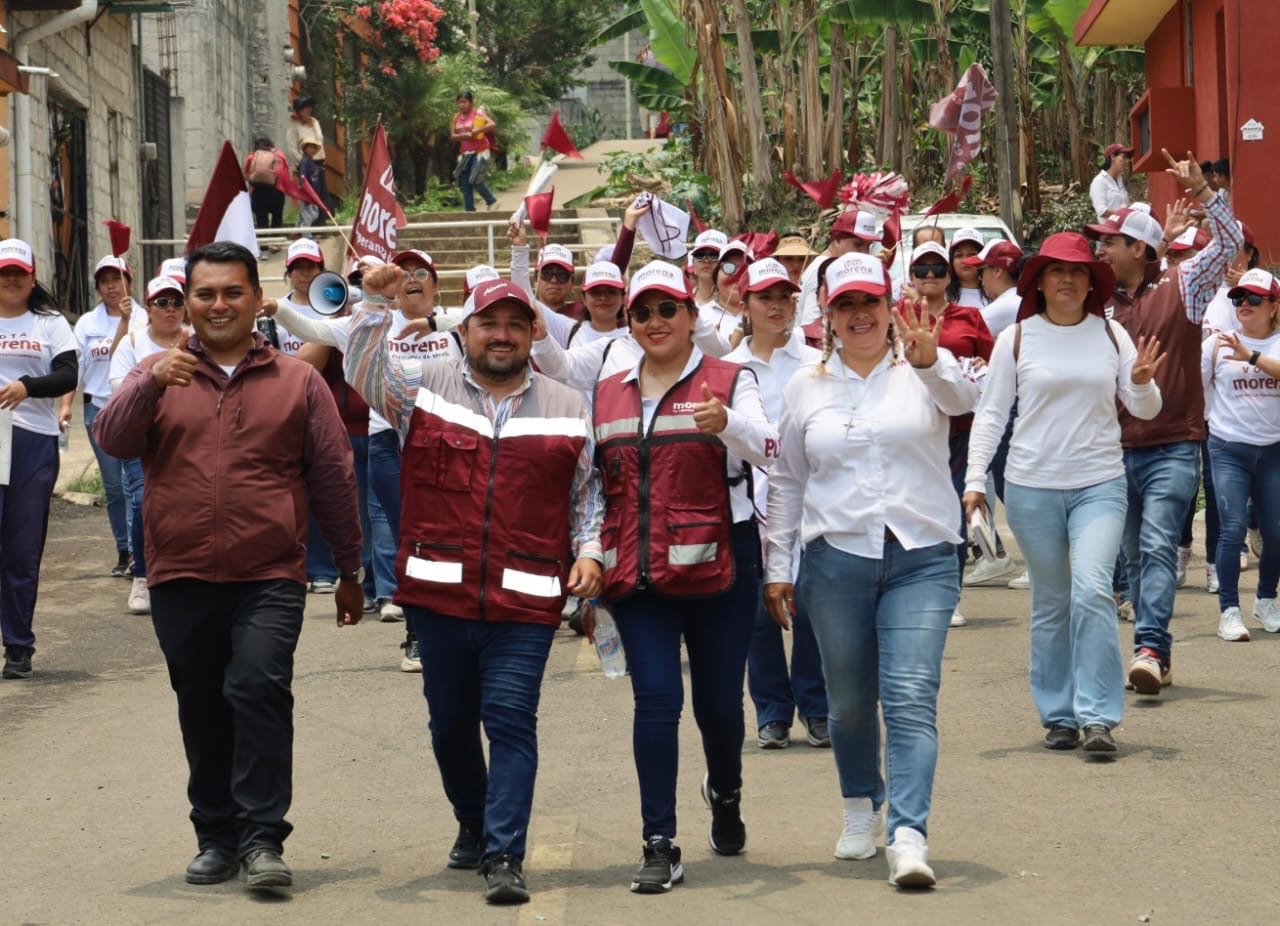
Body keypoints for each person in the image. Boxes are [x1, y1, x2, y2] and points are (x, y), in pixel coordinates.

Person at [93, 241, 364, 891]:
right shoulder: (158, 371)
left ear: (255, 299)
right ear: (189, 302)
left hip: (268, 574)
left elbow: (332, 477)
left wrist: (351, 570)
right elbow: (113, 440)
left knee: (259, 688)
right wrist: (148, 387)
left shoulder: (297, 381)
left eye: (232, 292)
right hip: (181, 573)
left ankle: (264, 840)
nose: (219, 305)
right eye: (206, 294)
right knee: (203, 705)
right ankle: (216, 836)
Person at [344, 270, 603, 906]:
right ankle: (472, 818)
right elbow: (361, 372)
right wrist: (375, 302)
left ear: (532, 333)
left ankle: (504, 853)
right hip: (439, 596)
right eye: (490, 323)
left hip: (526, 598)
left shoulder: (568, 406)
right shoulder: (421, 392)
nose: (503, 335)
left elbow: (587, 492)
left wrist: (591, 552)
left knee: (511, 719)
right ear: (465, 332)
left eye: (517, 324)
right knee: (450, 724)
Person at [765, 252, 978, 888]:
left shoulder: (924, 365)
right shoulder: (806, 385)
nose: (860, 316)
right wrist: (778, 565)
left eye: (870, 303)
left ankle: (908, 833)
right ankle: (861, 804)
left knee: (911, 696)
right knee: (851, 703)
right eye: (845, 306)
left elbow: (967, 398)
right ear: (827, 316)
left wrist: (928, 360)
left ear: (892, 309)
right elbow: (787, 480)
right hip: (836, 562)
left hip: (923, 556)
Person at [575, 260, 776, 894]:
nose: (655, 322)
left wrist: (731, 425)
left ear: (692, 315)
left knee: (719, 708)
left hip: (723, 567)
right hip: (635, 575)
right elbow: (590, 487)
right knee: (657, 701)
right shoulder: (606, 391)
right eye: (642, 312)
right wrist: (589, 551)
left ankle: (726, 790)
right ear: (627, 322)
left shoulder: (730, 378)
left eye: (668, 309)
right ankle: (658, 840)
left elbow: (774, 450)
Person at [963, 232, 1164, 752]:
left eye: (1077, 271)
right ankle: (1058, 714)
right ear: (1039, 283)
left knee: (1094, 589)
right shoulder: (1018, 339)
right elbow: (990, 414)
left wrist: (1140, 382)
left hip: (1099, 482)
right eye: (1056, 272)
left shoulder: (1112, 336)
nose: (1068, 280)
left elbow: (1145, 409)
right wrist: (974, 481)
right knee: (1052, 602)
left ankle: (1097, 716)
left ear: (1090, 281)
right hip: (1031, 488)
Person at [1088, 151, 1242, 695]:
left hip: (1173, 444)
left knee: (1156, 546)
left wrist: (1203, 193)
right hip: (1111, 451)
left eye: (1109, 241)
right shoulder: (1094, 302)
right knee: (1131, 556)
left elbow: (1229, 245)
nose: (1099, 248)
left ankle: (1149, 648)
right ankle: (1160, 652)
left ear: (1140, 248)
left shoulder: (1184, 285)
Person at [723, 259, 827, 749]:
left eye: (785, 297)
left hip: (812, 501)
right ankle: (771, 711)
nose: (777, 307)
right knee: (757, 613)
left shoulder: (817, 362)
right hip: (748, 504)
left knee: (810, 604)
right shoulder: (726, 368)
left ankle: (817, 705)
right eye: (765, 298)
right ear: (744, 305)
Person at [903, 241, 995, 624]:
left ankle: (949, 594)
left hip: (960, 429)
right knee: (915, 509)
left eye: (937, 270)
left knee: (954, 510)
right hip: (913, 428)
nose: (929, 278)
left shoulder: (969, 317)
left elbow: (992, 362)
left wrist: (979, 363)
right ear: (910, 275)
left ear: (949, 275)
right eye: (921, 270)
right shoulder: (898, 315)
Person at [0, 239, 77, 680]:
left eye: (19, 272)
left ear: (32, 278)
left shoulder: (48, 322)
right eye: (3, 272)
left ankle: (18, 646)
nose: (11, 279)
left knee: (21, 549)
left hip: (32, 441)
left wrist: (28, 386)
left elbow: (69, 373)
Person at [1201, 268, 1280, 641]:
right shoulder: (1216, 344)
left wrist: (1249, 355)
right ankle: (1229, 609)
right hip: (1228, 447)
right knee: (1231, 529)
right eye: (1238, 298)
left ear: (1273, 306)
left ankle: (1266, 600)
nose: (1243, 305)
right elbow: (1200, 390)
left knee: (1276, 532)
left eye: (1253, 299)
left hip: (1274, 451)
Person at [108, 275, 188, 616]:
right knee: (143, 501)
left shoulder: (196, 339)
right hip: (144, 438)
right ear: (148, 307)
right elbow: (118, 388)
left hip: (187, 437)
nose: (170, 309)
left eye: (176, 302)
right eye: (161, 302)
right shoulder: (133, 341)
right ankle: (142, 574)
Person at [73, 255, 145, 577]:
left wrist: (128, 322)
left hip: (133, 408)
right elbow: (77, 368)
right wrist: (64, 406)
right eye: (104, 281)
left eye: (116, 279)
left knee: (135, 485)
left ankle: (136, 552)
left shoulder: (145, 317)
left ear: (128, 281)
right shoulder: (87, 323)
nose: (111, 286)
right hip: (98, 408)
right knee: (114, 487)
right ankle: (122, 549)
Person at [799, 210, 879, 325]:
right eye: (858, 244)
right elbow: (812, 326)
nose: (865, 252)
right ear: (837, 239)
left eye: (869, 245)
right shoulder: (824, 269)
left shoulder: (832, 267)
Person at [452, 91, 497, 213]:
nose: (462, 105)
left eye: (464, 102)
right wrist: (466, 135)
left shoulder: (478, 114)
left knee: (475, 179)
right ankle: (469, 210)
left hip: (480, 150)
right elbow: (452, 136)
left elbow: (492, 124)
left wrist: (478, 131)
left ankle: (491, 201)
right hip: (465, 152)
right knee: (465, 183)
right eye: (460, 102)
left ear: (471, 103)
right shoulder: (456, 117)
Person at [243, 137, 287, 229]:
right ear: (271, 145)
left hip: (258, 193)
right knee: (277, 218)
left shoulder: (252, 156)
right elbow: (285, 173)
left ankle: (264, 242)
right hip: (277, 193)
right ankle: (276, 240)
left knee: (261, 220)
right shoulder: (279, 155)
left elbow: (245, 174)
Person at [1090, 143, 1133, 219]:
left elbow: (1124, 205)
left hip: (1124, 228)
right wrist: (1125, 215)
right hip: (1108, 229)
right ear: (1112, 157)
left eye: (1127, 158)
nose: (1127, 161)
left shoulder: (1120, 180)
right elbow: (1102, 211)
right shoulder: (1099, 181)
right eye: (1124, 157)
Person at [947, 227, 987, 308]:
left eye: (971, 254)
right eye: (959, 255)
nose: (965, 260)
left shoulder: (996, 294)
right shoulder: (942, 295)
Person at [688, 229, 727, 307]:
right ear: (693, 262)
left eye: (714, 255)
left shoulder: (735, 304)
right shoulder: (683, 301)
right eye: (699, 255)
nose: (706, 260)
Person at [285, 96, 324, 173]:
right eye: (304, 111)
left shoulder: (315, 122)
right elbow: (292, 150)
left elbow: (320, 140)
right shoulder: (294, 127)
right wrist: (305, 162)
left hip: (319, 162)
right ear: (299, 112)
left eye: (309, 110)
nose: (307, 113)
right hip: (305, 165)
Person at [295, 138, 326, 232]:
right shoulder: (304, 161)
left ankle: (297, 230)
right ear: (305, 149)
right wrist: (305, 190)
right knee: (309, 215)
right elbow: (303, 177)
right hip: (306, 192)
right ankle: (306, 235)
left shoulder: (312, 162)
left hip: (314, 193)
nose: (312, 150)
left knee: (309, 214)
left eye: (314, 148)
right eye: (310, 147)